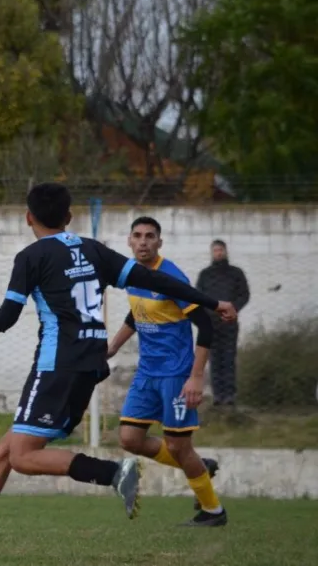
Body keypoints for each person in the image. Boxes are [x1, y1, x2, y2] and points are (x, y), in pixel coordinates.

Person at [0, 183, 238, 558]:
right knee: (6, 452)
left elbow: (7, 316)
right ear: (69, 218)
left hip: (55, 368)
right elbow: (156, 280)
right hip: (88, 367)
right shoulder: (92, 249)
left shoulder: (31, 256)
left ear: (28, 218)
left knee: (22, 456)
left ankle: (114, 473)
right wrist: (212, 301)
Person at [108, 217, 226, 527]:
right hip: (147, 372)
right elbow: (136, 314)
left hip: (176, 374)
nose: (143, 241)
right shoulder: (133, 275)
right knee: (130, 438)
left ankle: (213, 512)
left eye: (150, 236)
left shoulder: (172, 277)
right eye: (138, 235)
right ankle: (200, 466)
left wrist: (196, 376)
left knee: (177, 446)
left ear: (160, 242)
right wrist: (113, 347)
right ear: (129, 241)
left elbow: (206, 325)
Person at [196, 239, 250, 407]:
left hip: (230, 322)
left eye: (221, 250)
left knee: (228, 358)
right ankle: (218, 397)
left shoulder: (236, 273)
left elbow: (244, 295)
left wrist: (233, 309)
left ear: (226, 252)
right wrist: (205, 316)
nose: (218, 253)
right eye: (215, 250)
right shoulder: (205, 275)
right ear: (212, 253)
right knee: (214, 359)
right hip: (210, 324)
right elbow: (198, 297)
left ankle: (230, 396)